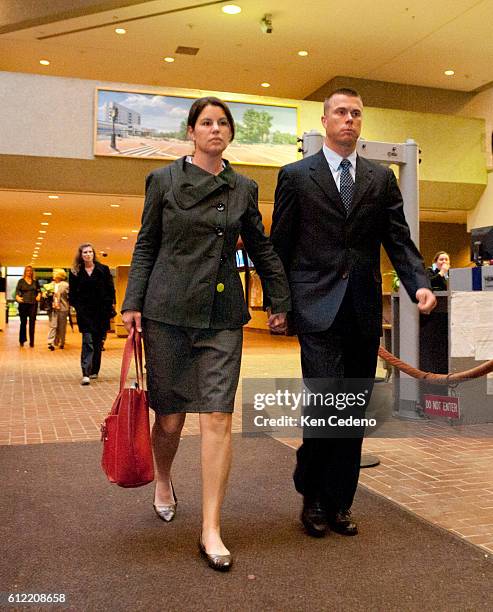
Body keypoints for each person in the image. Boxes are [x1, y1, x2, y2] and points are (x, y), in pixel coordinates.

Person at [122, 96, 290, 571]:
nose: (215, 129)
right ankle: (163, 478)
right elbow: (146, 244)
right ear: (191, 133)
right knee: (171, 419)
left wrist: (281, 300)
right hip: (168, 312)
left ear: (230, 134)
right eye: (205, 123)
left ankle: (211, 527)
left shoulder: (243, 188)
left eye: (222, 123)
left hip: (221, 316)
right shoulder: (163, 181)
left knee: (217, 417)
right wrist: (132, 302)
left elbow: (261, 247)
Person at [271, 88, 436, 539]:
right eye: (341, 113)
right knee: (327, 407)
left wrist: (419, 282)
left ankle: (339, 503)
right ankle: (313, 495)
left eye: (356, 114)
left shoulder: (380, 179)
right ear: (325, 120)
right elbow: (279, 247)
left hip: (362, 309)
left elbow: (397, 239)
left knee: (353, 410)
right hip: (316, 309)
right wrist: (279, 304)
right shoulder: (296, 176)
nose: (349, 120)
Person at [69, 244, 115, 385]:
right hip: (85, 312)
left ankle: (95, 369)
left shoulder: (103, 269)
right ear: (81, 255)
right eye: (85, 252)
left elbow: (110, 289)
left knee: (97, 341)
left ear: (94, 254)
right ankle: (86, 372)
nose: (88, 254)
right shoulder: (76, 271)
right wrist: (77, 307)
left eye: (90, 252)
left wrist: (110, 305)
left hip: (101, 311)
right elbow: (73, 292)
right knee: (87, 340)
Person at [15, 265, 40, 347]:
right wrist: (17, 297)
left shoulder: (35, 282)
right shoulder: (21, 281)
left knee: (32, 323)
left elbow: (39, 290)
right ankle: (22, 340)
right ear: (25, 272)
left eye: (30, 271)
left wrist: (39, 295)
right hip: (23, 304)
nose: (29, 272)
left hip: (33, 304)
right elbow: (17, 291)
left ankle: (32, 342)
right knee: (23, 323)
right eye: (27, 270)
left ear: (32, 272)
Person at [47, 269, 70, 350]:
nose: (53, 275)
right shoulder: (50, 285)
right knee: (53, 325)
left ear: (59, 275)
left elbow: (69, 296)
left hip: (63, 308)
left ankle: (61, 342)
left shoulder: (65, 285)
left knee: (62, 326)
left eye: (54, 273)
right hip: (52, 308)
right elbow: (46, 295)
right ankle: (50, 342)